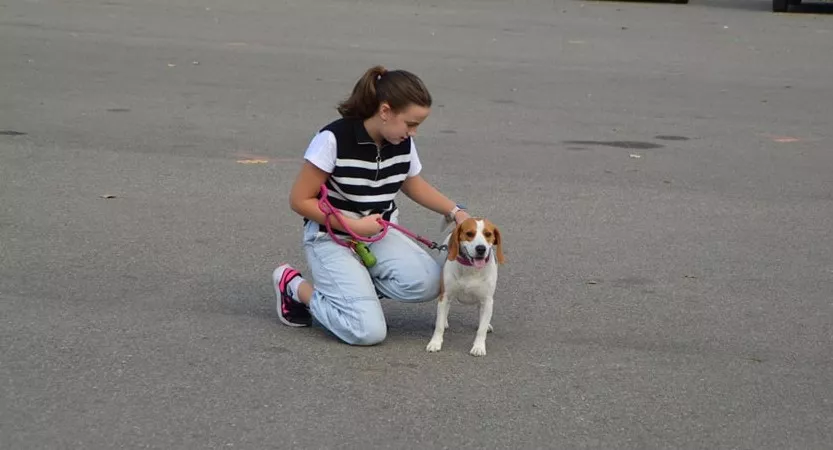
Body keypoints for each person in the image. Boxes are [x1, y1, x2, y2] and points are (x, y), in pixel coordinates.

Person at [272, 65, 470, 346]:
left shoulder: (400, 141)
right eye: (411, 124)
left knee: (432, 282)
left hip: (377, 236)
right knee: (368, 332)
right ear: (385, 111)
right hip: (330, 238)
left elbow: (411, 182)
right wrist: (352, 225)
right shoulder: (333, 139)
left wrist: (456, 212)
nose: (414, 133)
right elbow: (299, 199)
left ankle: (355, 288)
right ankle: (294, 287)